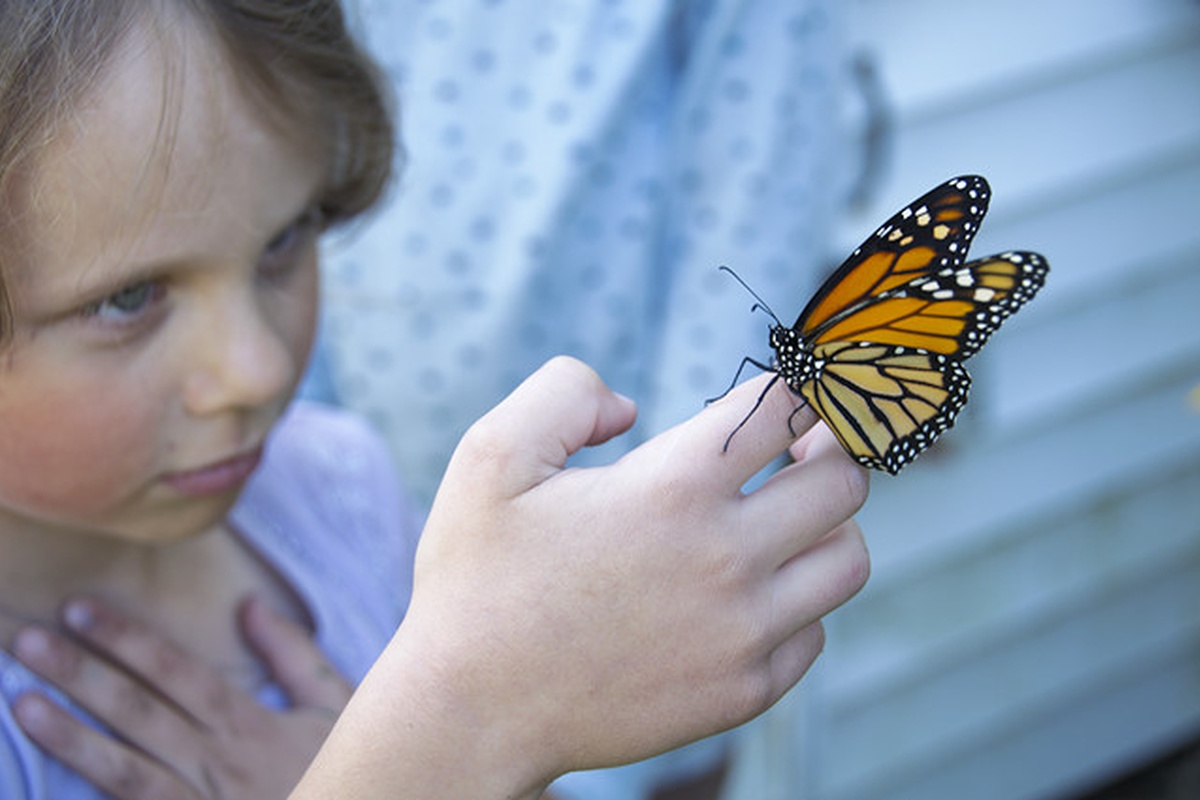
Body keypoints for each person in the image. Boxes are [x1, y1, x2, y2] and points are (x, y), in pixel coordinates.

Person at [0, 1, 869, 798]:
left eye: (287, 238)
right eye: (127, 298)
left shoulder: (345, 484)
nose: (261, 369)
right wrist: (446, 743)